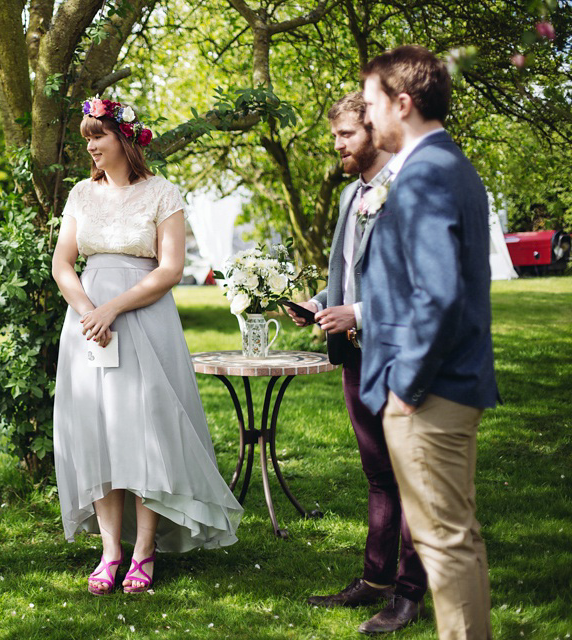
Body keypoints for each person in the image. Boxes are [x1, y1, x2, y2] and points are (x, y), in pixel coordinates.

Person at [52, 98, 243, 595]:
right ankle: (110, 551)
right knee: (99, 431)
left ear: (124, 139)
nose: (91, 146)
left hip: (144, 318)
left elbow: (170, 269)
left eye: (99, 136)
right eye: (87, 138)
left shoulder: (162, 192)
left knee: (147, 429)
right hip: (88, 325)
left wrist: (112, 309)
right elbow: (62, 264)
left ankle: (144, 551)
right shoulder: (80, 194)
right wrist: (88, 311)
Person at [360, 45, 497, 640]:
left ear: (403, 103)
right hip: (445, 387)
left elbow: (438, 294)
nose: (368, 119)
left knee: (444, 544)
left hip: (430, 393)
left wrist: (405, 388)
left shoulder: (427, 173)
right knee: (456, 539)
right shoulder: (448, 164)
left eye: (372, 105)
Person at [288, 92, 428, 634]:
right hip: (357, 357)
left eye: (346, 135)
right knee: (378, 474)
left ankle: (410, 594)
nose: (338, 145)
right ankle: (375, 579)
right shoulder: (352, 196)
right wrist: (323, 305)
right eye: (336, 137)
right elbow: (347, 272)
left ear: (374, 131)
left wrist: (361, 313)